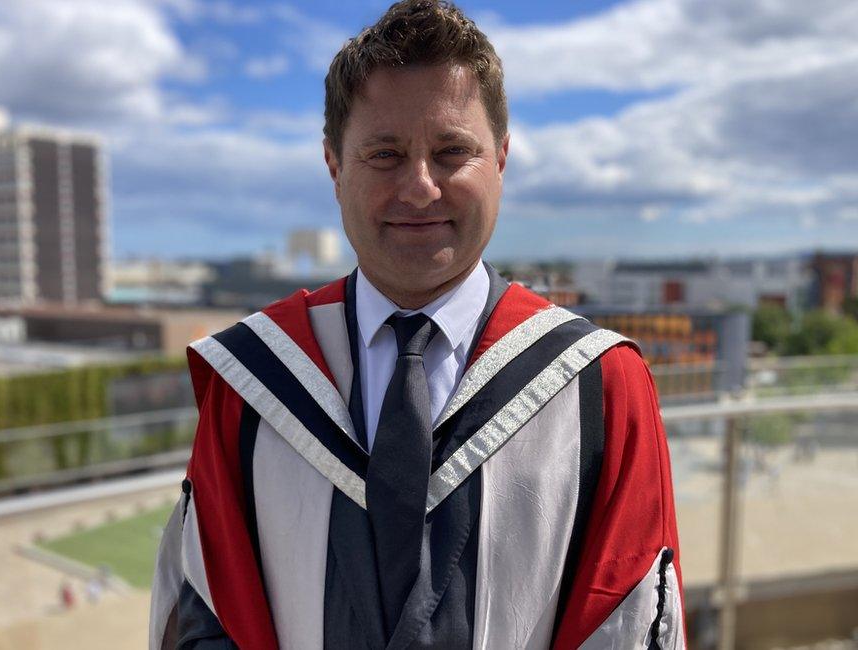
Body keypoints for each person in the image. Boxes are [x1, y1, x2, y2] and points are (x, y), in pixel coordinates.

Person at [150, 2, 685, 649]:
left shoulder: (602, 388)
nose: (421, 187)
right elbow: (207, 622)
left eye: (452, 151)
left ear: (502, 159)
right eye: (385, 154)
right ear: (333, 164)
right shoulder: (251, 385)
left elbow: (628, 629)